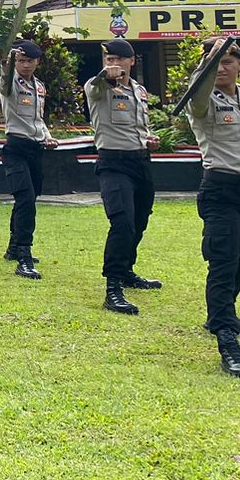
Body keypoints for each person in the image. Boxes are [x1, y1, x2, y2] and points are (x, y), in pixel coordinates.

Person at [184, 36, 240, 379]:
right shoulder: (203, 99)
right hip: (219, 190)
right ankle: (228, 342)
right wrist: (210, 56)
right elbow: (198, 90)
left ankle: (223, 312)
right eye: (215, 62)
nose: (221, 67)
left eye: (227, 61)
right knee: (223, 263)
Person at [84, 40, 161, 316]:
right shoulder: (98, 86)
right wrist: (105, 75)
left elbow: (139, 126)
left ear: (132, 61)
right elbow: (93, 87)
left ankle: (127, 270)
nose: (112, 63)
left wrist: (148, 139)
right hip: (113, 164)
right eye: (108, 58)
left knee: (140, 220)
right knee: (123, 222)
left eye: (118, 59)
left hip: (140, 161)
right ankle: (113, 288)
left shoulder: (139, 91)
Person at [0, 41, 58, 280]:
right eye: (21, 60)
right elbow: (5, 76)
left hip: (36, 148)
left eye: (29, 61)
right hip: (16, 148)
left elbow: (38, 119)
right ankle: (24, 256)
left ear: (36, 62)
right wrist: (10, 59)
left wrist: (48, 137)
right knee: (25, 200)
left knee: (29, 198)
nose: (25, 65)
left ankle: (13, 248)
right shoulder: (10, 82)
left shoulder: (39, 87)